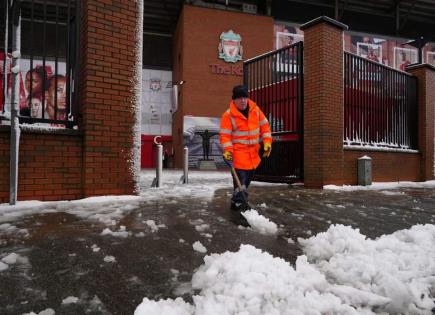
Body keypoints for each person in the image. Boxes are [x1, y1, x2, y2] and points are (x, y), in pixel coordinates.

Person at [220, 85, 272, 215]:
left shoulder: (256, 110)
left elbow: (265, 127)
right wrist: (228, 151)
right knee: (241, 182)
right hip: (238, 156)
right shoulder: (228, 115)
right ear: (234, 100)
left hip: (253, 155)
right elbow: (225, 136)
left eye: (245, 97)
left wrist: (267, 143)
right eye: (239, 98)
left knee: (246, 182)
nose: (243, 101)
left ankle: (235, 201)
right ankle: (239, 204)